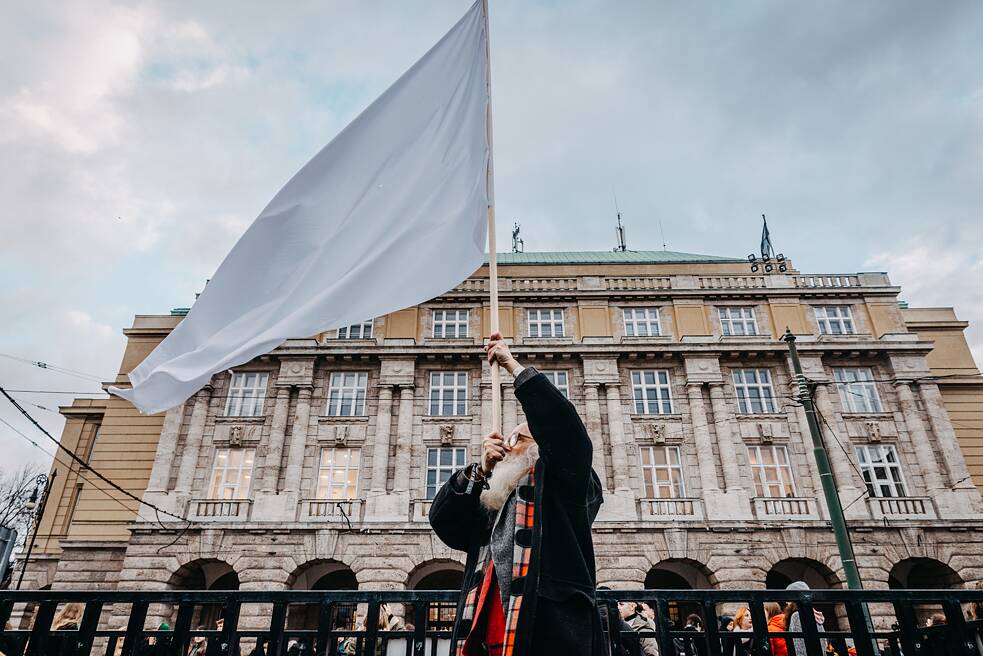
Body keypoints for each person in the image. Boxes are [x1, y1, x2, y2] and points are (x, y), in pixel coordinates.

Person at [429, 332, 605, 655]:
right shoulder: (494, 499)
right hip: (486, 638)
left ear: (540, 449)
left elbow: (566, 433)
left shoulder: (564, 487)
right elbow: (442, 521)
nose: (507, 447)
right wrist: (479, 471)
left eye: (518, 439)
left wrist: (513, 368)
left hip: (547, 638)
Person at [784, 582, 826, 656]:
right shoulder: (814, 615)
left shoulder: (797, 616)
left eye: (788, 599)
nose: (786, 603)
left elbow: (800, 646)